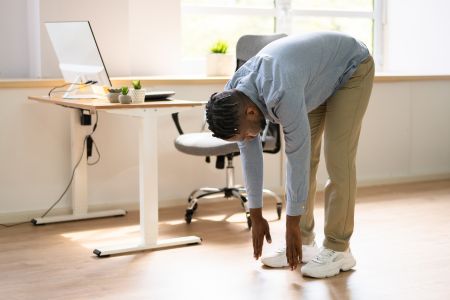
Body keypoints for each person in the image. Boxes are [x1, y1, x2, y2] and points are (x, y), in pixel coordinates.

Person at [205, 32, 374, 278]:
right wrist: (255, 213)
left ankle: (339, 248)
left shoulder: (281, 92)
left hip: (351, 67)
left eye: (245, 135)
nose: (247, 140)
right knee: (307, 164)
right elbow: (252, 155)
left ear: (252, 112)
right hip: (315, 77)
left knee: (338, 159)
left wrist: (290, 223)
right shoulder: (232, 97)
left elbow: (296, 155)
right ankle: (304, 242)